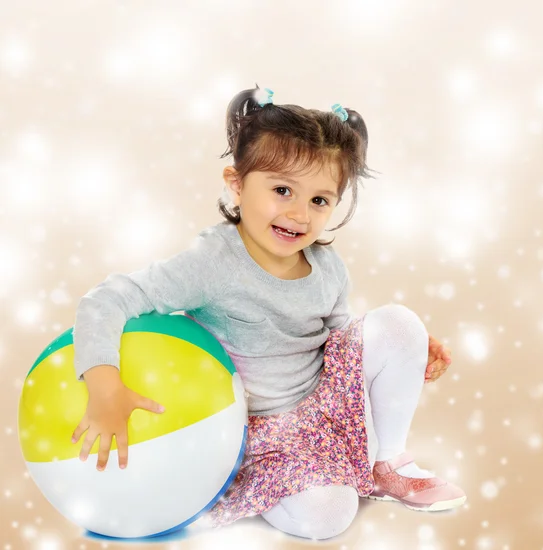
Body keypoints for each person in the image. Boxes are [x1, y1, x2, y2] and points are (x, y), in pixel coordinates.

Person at [71, 84, 466, 540]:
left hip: (322, 413)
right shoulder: (213, 263)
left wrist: (405, 351)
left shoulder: (326, 265)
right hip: (254, 436)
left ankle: (386, 464)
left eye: (319, 200)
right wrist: (103, 385)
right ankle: (280, 487)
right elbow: (107, 298)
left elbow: (340, 343)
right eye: (282, 190)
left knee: (400, 323)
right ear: (236, 184)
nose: (299, 214)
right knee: (330, 514)